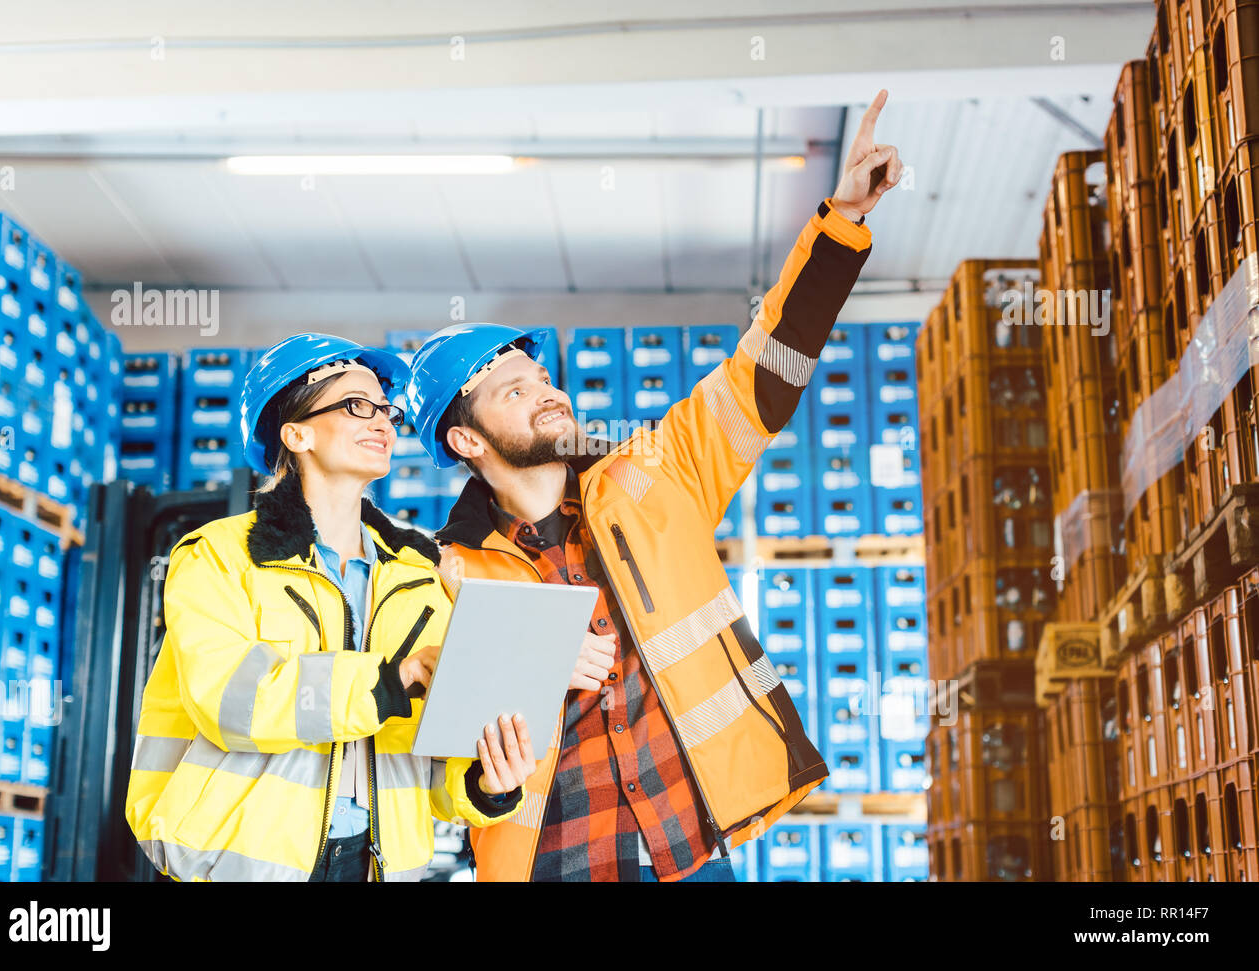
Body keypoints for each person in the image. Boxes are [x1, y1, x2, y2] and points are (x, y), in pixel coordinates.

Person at [404, 91, 902, 881]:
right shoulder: (444, 572)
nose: (546, 391)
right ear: (467, 441)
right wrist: (518, 691)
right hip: (551, 866)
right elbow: (438, 774)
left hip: (688, 855)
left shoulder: (656, 474)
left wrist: (841, 223)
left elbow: (763, 376)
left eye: (541, 374)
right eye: (513, 390)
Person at [125, 333, 538, 882]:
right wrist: (395, 677)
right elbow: (232, 702)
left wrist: (485, 782)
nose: (383, 423)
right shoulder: (219, 557)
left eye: (386, 411)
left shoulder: (417, 575)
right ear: (295, 434)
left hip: (381, 863)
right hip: (246, 864)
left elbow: (423, 764)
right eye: (355, 406)